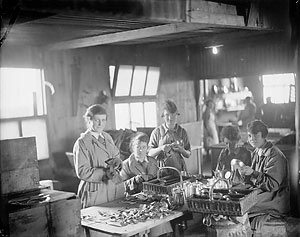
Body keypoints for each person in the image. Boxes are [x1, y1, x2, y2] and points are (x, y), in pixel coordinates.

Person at [239, 120, 290, 232]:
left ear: (263, 136)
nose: (251, 139)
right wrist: (244, 173)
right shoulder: (257, 151)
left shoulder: (274, 154)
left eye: (255, 135)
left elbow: (272, 185)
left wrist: (253, 173)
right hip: (263, 193)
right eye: (249, 136)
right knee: (237, 197)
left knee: (242, 207)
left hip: (274, 198)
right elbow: (252, 180)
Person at [120, 132, 173, 237]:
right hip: (134, 203)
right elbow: (121, 187)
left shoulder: (152, 161)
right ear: (132, 147)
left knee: (162, 220)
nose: (140, 150)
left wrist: (161, 181)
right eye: (138, 147)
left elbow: (159, 177)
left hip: (152, 201)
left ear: (147, 148)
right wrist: (135, 180)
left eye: (143, 147)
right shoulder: (125, 165)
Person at [73, 104, 124, 208]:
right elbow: (82, 171)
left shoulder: (107, 137)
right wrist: (105, 173)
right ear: (89, 120)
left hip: (112, 186)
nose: (101, 123)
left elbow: (115, 155)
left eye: (103, 120)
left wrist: (118, 162)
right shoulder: (82, 142)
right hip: (95, 189)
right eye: (97, 120)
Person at [148, 99, 191, 175]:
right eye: (167, 115)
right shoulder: (157, 132)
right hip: (161, 171)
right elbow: (150, 154)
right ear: (163, 116)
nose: (170, 118)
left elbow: (188, 154)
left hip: (179, 170)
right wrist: (161, 148)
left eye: (173, 115)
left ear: (177, 115)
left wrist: (182, 150)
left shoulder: (182, 132)